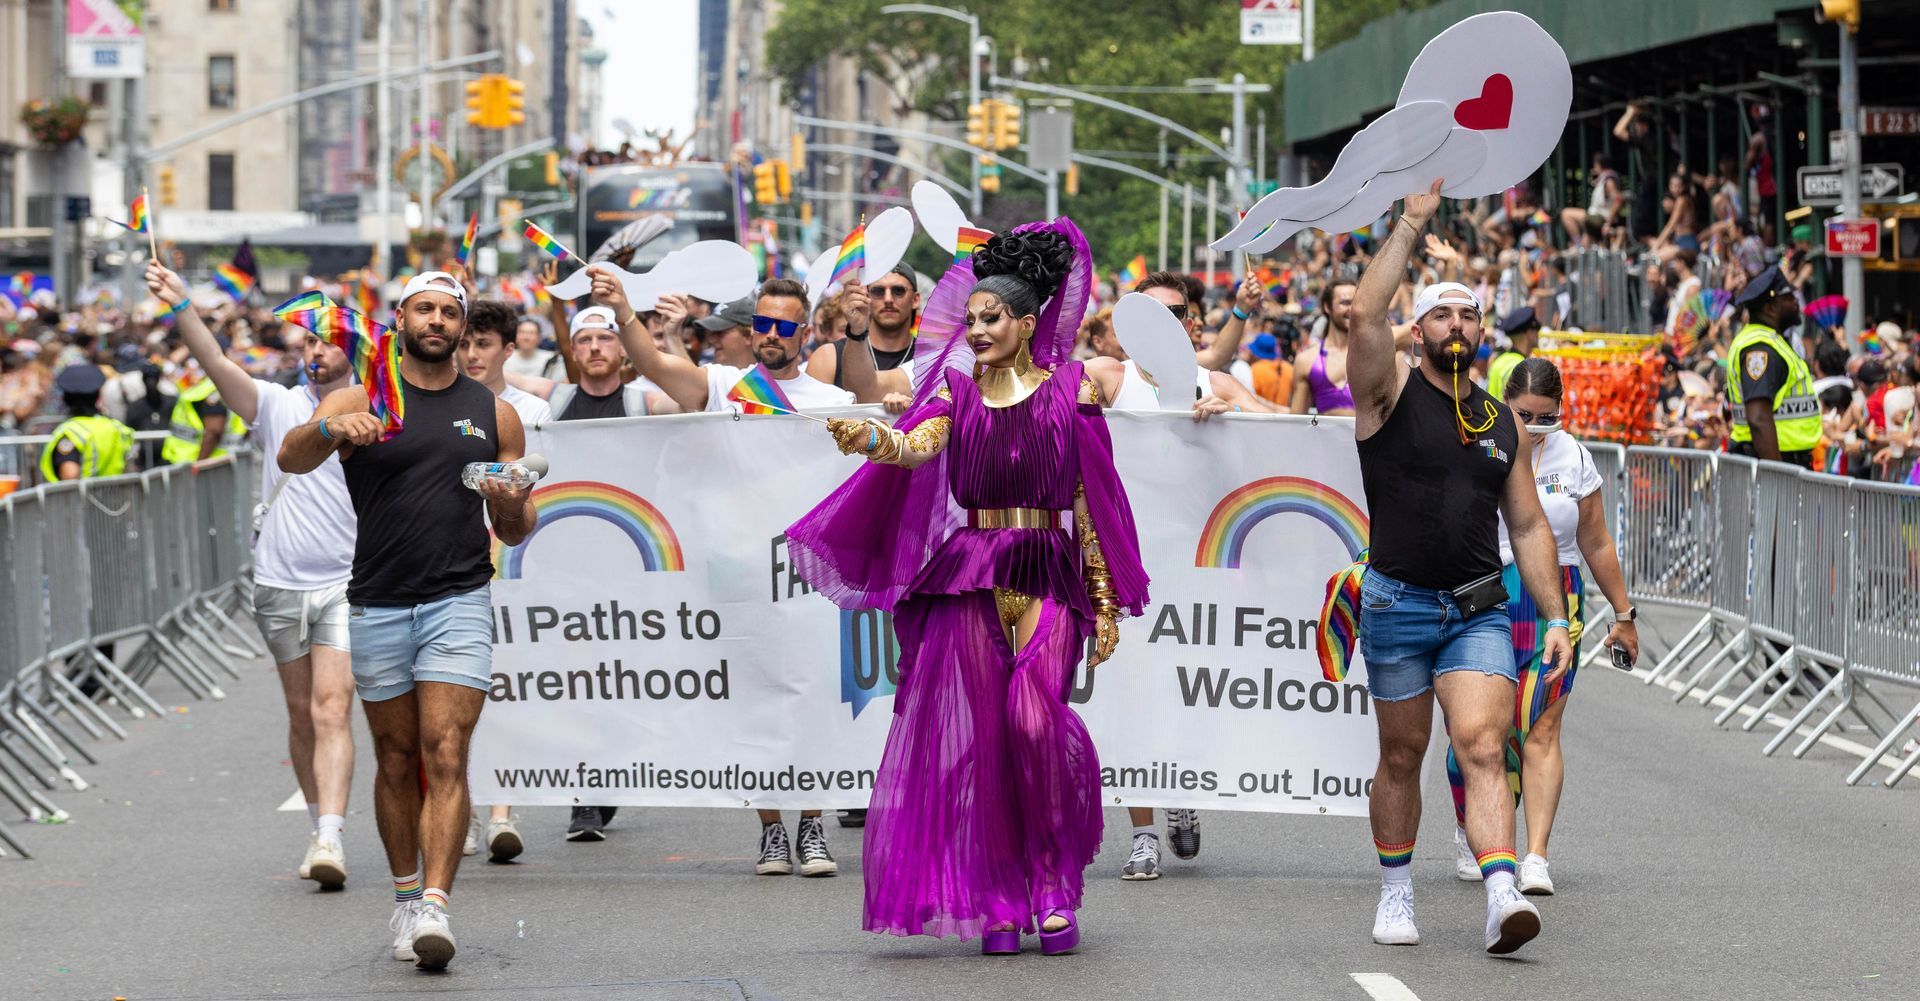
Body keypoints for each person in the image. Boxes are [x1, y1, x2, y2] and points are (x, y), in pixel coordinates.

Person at [785, 220, 1149, 955]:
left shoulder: (1074, 389)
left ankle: (1052, 882)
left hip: (1047, 565)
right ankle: (1002, 897)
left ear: (1023, 322)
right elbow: (916, 446)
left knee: (1033, 722)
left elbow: (1089, 499)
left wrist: (1104, 598)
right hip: (973, 569)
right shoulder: (955, 391)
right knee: (982, 741)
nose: (976, 329)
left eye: (991, 319)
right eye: (971, 318)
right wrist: (871, 440)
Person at [277, 271, 537, 970]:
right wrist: (332, 427)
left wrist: (510, 496)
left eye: (449, 312)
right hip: (379, 600)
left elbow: (514, 528)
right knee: (396, 758)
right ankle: (402, 895)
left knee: (445, 749)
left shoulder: (492, 411)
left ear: (460, 327)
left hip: (459, 596)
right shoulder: (363, 393)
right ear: (400, 319)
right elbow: (290, 457)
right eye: (424, 308)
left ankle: (436, 903)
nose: (437, 320)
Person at [1346, 180, 1571, 955]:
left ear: (1480, 330)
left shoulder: (1502, 419)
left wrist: (1558, 616)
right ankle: (1396, 889)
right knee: (1402, 753)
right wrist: (1411, 221)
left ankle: (1501, 891)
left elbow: (1530, 523)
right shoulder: (1386, 393)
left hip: (1475, 607)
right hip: (1396, 604)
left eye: (1468, 312)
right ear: (1418, 327)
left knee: (1483, 743)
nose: (1456, 322)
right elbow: (1364, 314)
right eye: (1440, 311)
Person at [598, 268, 852, 873]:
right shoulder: (723, 385)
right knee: (755, 700)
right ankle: (771, 829)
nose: (769, 335)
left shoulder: (835, 402)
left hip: (808, 574)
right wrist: (628, 316)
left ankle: (812, 826)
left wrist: (890, 409)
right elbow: (659, 369)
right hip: (738, 568)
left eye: (783, 326)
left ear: (805, 331)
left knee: (812, 697)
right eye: (760, 323)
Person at [148, 261, 362, 889]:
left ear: (354, 354)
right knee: (300, 713)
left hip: (347, 581)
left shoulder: (377, 409)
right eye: (310, 342)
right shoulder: (275, 404)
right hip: (278, 581)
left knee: (331, 708)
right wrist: (182, 306)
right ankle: (319, 828)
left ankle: (330, 836)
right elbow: (216, 363)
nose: (316, 352)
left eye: (329, 342)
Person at [1442, 357, 1638, 896]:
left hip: (1555, 596)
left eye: (1546, 417)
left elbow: (1596, 541)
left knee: (1543, 728)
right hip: (1484, 592)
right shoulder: (1476, 441)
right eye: (1524, 415)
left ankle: (1534, 856)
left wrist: (1624, 615)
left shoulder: (1574, 455)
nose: (1534, 427)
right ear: (1505, 403)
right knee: (1481, 728)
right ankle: (1471, 826)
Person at [456, 298, 551, 861]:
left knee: (509, 691)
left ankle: (502, 812)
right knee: (461, 696)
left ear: (507, 350)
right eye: (466, 343)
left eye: (483, 344)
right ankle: (462, 809)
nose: (471, 354)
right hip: (462, 573)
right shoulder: (440, 406)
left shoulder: (531, 412)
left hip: (519, 568)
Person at [1724, 265, 1817, 468]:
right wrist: (1777, 477)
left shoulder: (1771, 342)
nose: (1796, 303)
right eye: (1789, 299)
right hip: (1774, 466)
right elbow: (1758, 418)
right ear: (1771, 307)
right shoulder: (1761, 348)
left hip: (1777, 462)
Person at [812, 262, 919, 410]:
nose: (888, 299)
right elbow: (807, 426)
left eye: (898, 290)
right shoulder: (828, 357)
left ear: (915, 300)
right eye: (878, 291)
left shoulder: (933, 358)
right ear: (866, 296)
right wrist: (856, 329)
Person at [39, 364, 134, 481]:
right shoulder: (116, 428)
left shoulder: (72, 433)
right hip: (117, 497)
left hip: (82, 499)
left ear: (65, 398)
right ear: (98, 395)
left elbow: (69, 475)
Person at [1292, 280, 1359, 417]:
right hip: (1325, 438)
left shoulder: (1372, 355)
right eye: (1345, 303)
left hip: (1366, 438)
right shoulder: (1307, 360)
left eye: (1356, 303)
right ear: (1327, 307)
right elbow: (1297, 422)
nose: (1351, 309)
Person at [159, 370, 242, 465]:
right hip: (186, 461)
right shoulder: (225, 387)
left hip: (199, 464)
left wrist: (199, 464)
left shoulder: (213, 390)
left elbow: (214, 431)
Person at [1486, 306, 1539, 400]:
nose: (1538, 334)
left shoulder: (1499, 361)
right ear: (1528, 333)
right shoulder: (1523, 367)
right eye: (1536, 330)